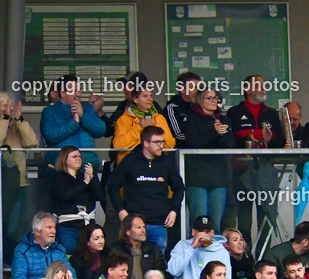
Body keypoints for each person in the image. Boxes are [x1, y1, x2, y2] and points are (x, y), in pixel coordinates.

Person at [227, 74, 285, 241]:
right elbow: (230, 140)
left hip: (265, 170)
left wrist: (269, 140)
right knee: (244, 221)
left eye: (263, 84)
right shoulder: (234, 112)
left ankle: (263, 261)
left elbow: (280, 142)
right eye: (258, 85)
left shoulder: (272, 114)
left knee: (266, 218)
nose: (263, 88)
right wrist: (251, 136)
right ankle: (246, 260)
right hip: (241, 171)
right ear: (247, 89)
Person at [108, 126, 184, 252]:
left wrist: (174, 210)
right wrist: (121, 210)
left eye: (162, 142)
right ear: (146, 143)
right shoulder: (130, 161)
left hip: (159, 223)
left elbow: (179, 187)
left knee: (157, 266)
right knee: (132, 262)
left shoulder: (166, 162)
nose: (161, 145)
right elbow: (112, 186)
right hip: (134, 223)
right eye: (157, 142)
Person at [0, 91, 38, 258]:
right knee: (1, 227)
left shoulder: (18, 127)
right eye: (4, 106)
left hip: (20, 185)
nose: (9, 109)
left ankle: (19, 263)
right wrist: (5, 118)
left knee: (23, 226)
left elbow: (32, 142)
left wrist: (19, 120)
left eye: (11, 106)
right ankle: (2, 266)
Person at [183, 87, 235, 230]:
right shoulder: (192, 119)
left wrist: (221, 134)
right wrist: (214, 132)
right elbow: (194, 143)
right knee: (199, 223)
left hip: (218, 178)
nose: (214, 101)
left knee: (215, 224)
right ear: (200, 101)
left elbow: (230, 145)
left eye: (216, 98)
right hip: (197, 178)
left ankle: (214, 252)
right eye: (210, 98)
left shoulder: (223, 119)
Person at [40, 74, 106, 171]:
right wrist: (74, 123)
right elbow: (51, 135)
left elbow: (101, 130)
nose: (78, 94)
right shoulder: (50, 111)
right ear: (63, 93)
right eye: (74, 91)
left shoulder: (87, 109)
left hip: (88, 169)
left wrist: (83, 116)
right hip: (62, 172)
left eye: (79, 90)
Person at [48, 146, 101, 254]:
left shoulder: (85, 176)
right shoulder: (57, 178)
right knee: (70, 253)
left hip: (87, 225)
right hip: (68, 226)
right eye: (74, 156)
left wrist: (92, 178)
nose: (79, 159)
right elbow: (65, 196)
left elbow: (99, 196)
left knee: (89, 256)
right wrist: (85, 183)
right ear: (64, 159)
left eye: (80, 156)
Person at [167, 216, 231, 279]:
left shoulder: (221, 251)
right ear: (193, 232)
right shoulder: (182, 246)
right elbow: (173, 271)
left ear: (213, 233)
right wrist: (192, 247)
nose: (204, 235)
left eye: (207, 232)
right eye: (200, 231)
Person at [112, 85, 176, 163]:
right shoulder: (123, 119)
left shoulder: (159, 118)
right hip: (130, 164)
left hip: (155, 163)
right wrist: (139, 128)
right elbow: (118, 145)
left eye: (151, 96)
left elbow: (170, 145)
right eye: (145, 96)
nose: (150, 99)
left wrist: (154, 130)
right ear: (135, 99)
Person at [107, 214, 166, 279]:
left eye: (144, 227)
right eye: (139, 227)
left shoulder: (153, 248)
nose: (143, 230)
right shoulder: (116, 250)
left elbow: (161, 274)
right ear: (128, 231)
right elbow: (111, 277)